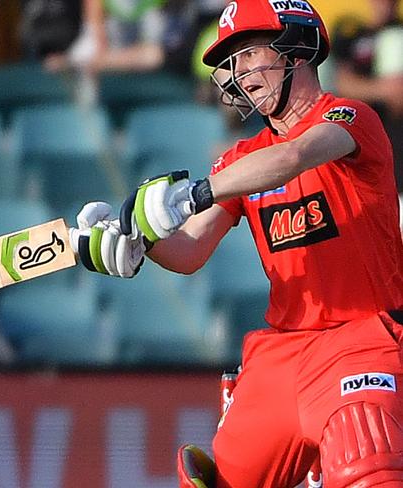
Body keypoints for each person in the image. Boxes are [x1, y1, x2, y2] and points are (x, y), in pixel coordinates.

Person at [69, 0, 403, 486]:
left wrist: (195, 192)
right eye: (232, 62)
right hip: (279, 359)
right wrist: (135, 243)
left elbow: (294, 156)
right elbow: (189, 250)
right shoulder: (240, 160)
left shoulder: (352, 118)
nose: (238, 73)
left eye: (248, 54)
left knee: (367, 467)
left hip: (360, 343)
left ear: (295, 49)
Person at [333, 0, 403, 193]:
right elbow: (343, 84)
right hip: (369, 139)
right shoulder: (354, 36)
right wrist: (384, 89)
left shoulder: (399, 32)